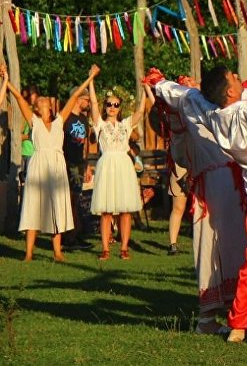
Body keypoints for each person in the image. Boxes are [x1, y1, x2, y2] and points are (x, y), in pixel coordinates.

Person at [149, 64, 247, 346]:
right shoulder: (244, 115)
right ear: (231, 91)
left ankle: (238, 323)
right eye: (234, 77)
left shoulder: (208, 109)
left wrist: (159, 82)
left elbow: (181, 94)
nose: (238, 78)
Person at [148, 75, 247, 334]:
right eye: (187, 82)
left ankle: (217, 317)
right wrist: (159, 85)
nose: (191, 84)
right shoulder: (189, 112)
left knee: (217, 245)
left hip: (224, 182)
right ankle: (224, 318)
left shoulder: (205, 110)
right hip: (220, 185)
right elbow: (181, 154)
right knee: (222, 245)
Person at [10, 66, 97, 261]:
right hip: (39, 166)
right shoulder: (35, 123)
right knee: (34, 206)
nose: (45, 106)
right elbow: (19, 99)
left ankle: (58, 252)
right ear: (37, 110)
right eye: (41, 105)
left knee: (57, 206)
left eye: (46, 104)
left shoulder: (59, 122)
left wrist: (90, 77)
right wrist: (7, 82)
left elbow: (74, 98)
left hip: (57, 167)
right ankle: (29, 253)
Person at [88, 72, 148, 260]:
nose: (112, 107)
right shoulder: (100, 125)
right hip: (107, 164)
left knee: (125, 209)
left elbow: (140, 111)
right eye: (109, 104)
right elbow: (93, 105)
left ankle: (124, 248)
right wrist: (91, 81)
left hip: (123, 165)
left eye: (116, 105)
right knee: (105, 211)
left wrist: (146, 88)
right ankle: (105, 249)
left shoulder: (125, 125)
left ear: (120, 108)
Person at [61, 87, 93, 250]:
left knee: (76, 198)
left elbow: (85, 145)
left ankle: (73, 234)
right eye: (87, 99)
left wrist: (86, 165)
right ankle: (69, 237)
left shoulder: (83, 119)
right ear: (78, 99)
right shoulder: (66, 118)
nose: (88, 103)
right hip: (67, 162)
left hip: (79, 164)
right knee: (70, 199)